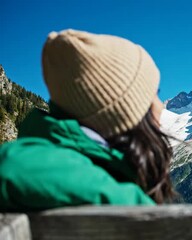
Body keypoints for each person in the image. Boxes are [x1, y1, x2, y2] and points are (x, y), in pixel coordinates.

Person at [0, 29, 175, 211]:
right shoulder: (121, 198)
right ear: (124, 113)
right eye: (154, 94)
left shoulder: (34, 157)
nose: (161, 105)